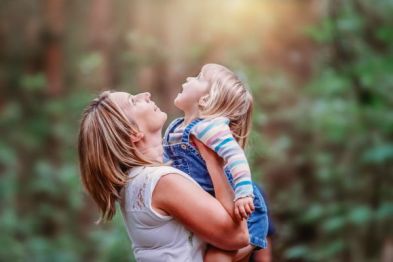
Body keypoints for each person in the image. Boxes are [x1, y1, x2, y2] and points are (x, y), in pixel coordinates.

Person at [77, 90, 250, 262]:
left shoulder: (136, 181)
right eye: (133, 101)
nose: (146, 94)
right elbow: (238, 237)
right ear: (133, 132)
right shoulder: (160, 181)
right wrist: (214, 162)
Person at [163, 64, 269, 261]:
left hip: (244, 213)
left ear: (205, 98)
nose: (189, 78)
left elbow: (236, 156)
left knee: (215, 258)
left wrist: (244, 194)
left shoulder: (210, 127)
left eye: (198, 77)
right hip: (214, 210)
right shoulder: (174, 129)